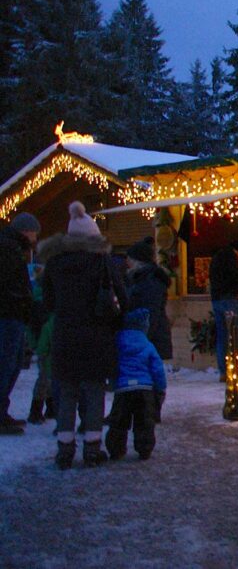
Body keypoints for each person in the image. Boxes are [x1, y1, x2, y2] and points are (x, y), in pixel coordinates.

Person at [40, 201, 125, 469]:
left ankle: (64, 449)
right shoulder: (102, 262)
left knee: (67, 392)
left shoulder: (54, 263)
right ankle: (91, 447)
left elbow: (48, 302)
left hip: (65, 335)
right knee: (94, 392)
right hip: (97, 334)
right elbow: (122, 296)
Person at [105, 308, 166, 461]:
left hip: (123, 388)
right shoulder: (147, 345)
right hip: (144, 389)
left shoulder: (118, 342)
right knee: (144, 421)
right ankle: (144, 448)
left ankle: (116, 448)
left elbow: (112, 363)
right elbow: (157, 368)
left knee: (119, 421)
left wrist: (112, 382)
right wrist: (160, 387)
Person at [0, 212, 40, 435]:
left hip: (13, 313)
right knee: (7, 363)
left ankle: (2, 411)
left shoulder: (12, 248)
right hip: (9, 314)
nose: (35, 238)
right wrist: (22, 298)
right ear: (27, 231)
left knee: (12, 363)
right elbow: (11, 283)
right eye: (35, 233)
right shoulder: (9, 250)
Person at [125, 237, 173, 361]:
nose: (127, 262)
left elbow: (151, 313)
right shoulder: (139, 279)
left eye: (130, 258)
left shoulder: (150, 281)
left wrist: (141, 340)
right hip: (146, 339)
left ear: (138, 260)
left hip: (151, 341)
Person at [209, 240, 238, 381]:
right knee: (236, 334)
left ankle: (223, 371)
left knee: (222, 336)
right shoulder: (231, 258)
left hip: (216, 300)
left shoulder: (216, 257)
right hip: (229, 299)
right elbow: (234, 277)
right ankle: (237, 369)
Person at [26, 263, 55, 424]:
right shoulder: (43, 302)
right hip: (46, 344)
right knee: (45, 377)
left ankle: (49, 408)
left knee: (48, 377)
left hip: (42, 344)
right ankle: (36, 410)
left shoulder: (35, 298)